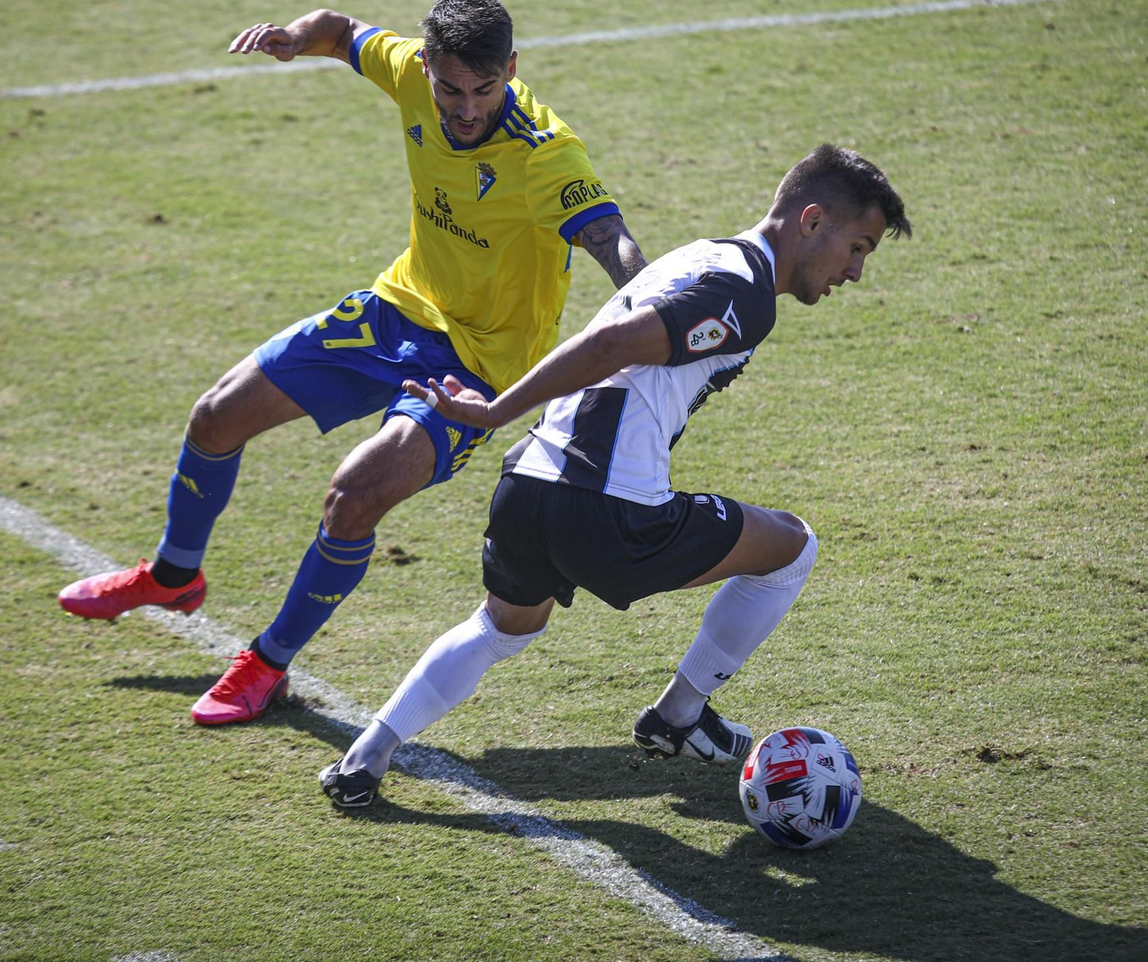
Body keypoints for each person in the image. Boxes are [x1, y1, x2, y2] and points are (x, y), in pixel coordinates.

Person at [59, 0, 649, 725]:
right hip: (395, 310)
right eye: (451, 88)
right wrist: (293, 37)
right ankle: (174, 574)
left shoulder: (546, 154)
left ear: (512, 70)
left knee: (354, 494)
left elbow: (609, 239)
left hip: (475, 367)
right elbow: (340, 32)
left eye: (485, 89)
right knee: (215, 417)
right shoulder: (408, 71)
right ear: (427, 64)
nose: (467, 108)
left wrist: (653, 306)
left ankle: (267, 663)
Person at [318, 144, 911, 808]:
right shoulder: (744, 292)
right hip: (611, 512)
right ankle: (679, 713)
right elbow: (612, 344)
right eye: (856, 247)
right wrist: (494, 409)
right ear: (810, 221)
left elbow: (628, 329)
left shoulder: (701, 255)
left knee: (503, 627)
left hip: (529, 487)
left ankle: (366, 755)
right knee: (792, 547)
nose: (855, 272)